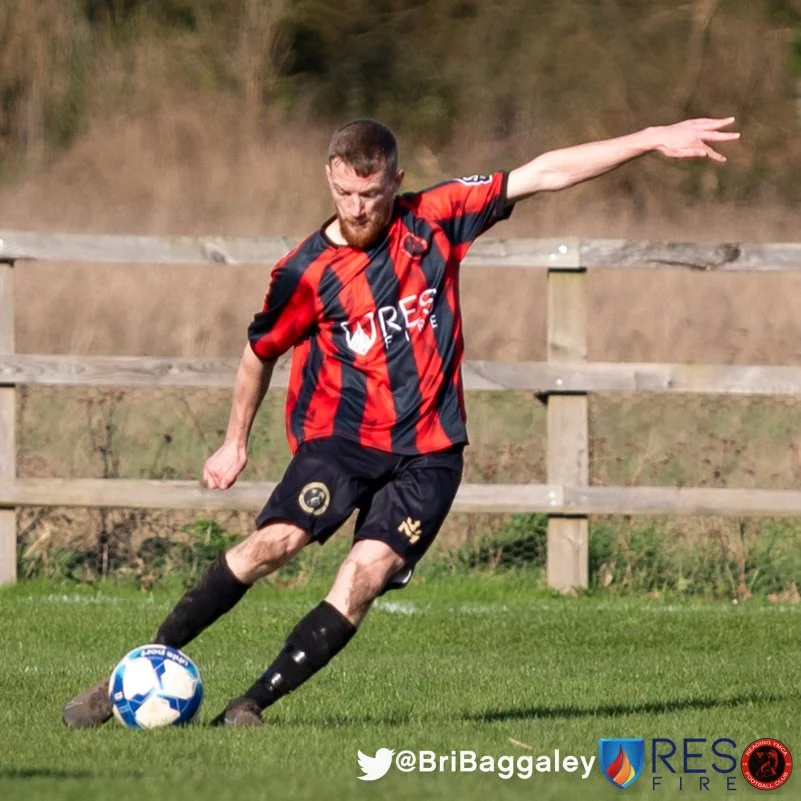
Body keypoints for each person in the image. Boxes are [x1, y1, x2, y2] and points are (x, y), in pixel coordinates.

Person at [63, 115, 739, 728]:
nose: (358, 208)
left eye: (371, 194)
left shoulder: (435, 219)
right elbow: (257, 353)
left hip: (431, 452)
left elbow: (543, 172)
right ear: (329, 180)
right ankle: (129, 676)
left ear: (395, 180)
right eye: (345, 194)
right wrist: (233, 442)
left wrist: (650, 138)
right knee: (273, 544)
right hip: (341, 441)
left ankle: (250, 706)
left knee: (364, 576)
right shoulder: (305, 271)